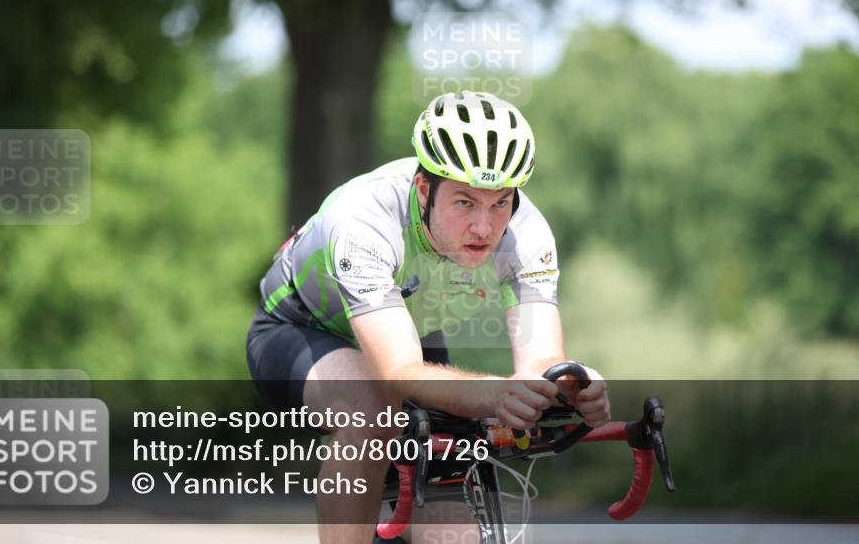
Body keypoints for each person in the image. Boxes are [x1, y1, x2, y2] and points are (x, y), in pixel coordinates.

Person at [246, 91, 611, 543]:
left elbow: (539, 366)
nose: (484, 226)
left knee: (449, 506)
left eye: (500, 202)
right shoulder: (364, 219)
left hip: (412, 335)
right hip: (300, 330)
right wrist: (496, 394)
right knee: (372, 408)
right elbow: (397, 374)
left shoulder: (528, 233)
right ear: (424, 188)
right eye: (464, 203)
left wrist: (573, 385)